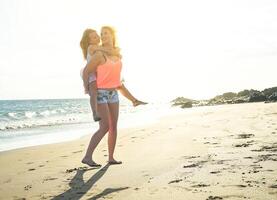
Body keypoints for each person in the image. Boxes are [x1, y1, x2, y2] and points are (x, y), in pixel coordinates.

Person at [81, 26, 127, 166]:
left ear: (112, 35)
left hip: (113, 92)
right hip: (99, 90)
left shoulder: (112, 52)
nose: (102, 36)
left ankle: (111, 157)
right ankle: (87, 156)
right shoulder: (97, 51)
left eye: (104, 34)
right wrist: (86, 87)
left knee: (113, 126)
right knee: (105, 126)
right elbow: (87, 71)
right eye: (101, 34)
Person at [80, 29, 147, 122]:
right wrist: (85, 86)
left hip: (97, 73)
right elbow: (105, 50)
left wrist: (115, 53)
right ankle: (95, 112)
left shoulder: (98, 47)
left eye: (97, 35)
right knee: (93, 92)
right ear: (90, 41)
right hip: (90, 74)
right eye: (95, 37)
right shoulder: (92, 47)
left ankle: (134, 100)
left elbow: (108, 52)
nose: (99, 37)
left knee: (120, 85)